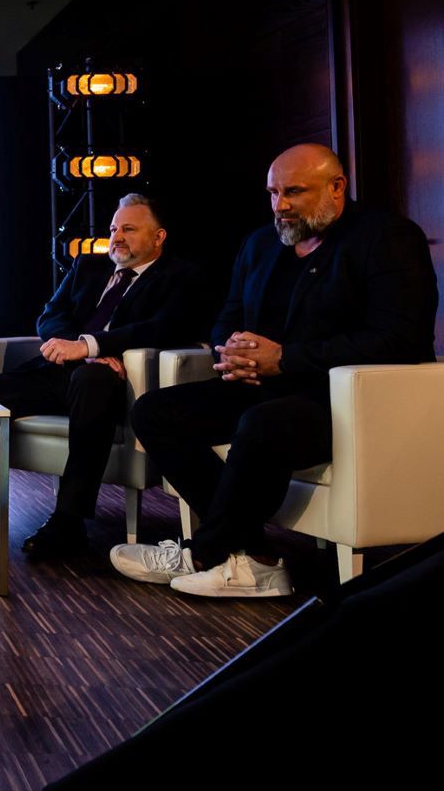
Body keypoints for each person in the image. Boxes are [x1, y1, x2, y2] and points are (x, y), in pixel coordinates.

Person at [113, 144, 437, 597]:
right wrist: (233, 349)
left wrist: (284, 358)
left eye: (294, 192)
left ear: (337, 187)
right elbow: (227, 317)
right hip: (262, 386)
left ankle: (203, 551)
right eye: (272, 193)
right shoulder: (261, 243)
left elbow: (399, 338)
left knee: (264, 422)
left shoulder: (387, 238)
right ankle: (254, 555)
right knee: (153, 412)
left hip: (343, 400)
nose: (279, 205)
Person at [0, 194, 207, 557]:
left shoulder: (180, 276)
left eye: (129, 229)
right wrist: (77, 348)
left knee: (93, 380)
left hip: (118, 383)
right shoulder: (88, 266)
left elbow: (165, 327)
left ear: (158, 236)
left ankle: (69, 521)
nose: (116, 237)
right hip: (58, 372)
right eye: (113, 229)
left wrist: (91, 347)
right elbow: (50, 317)